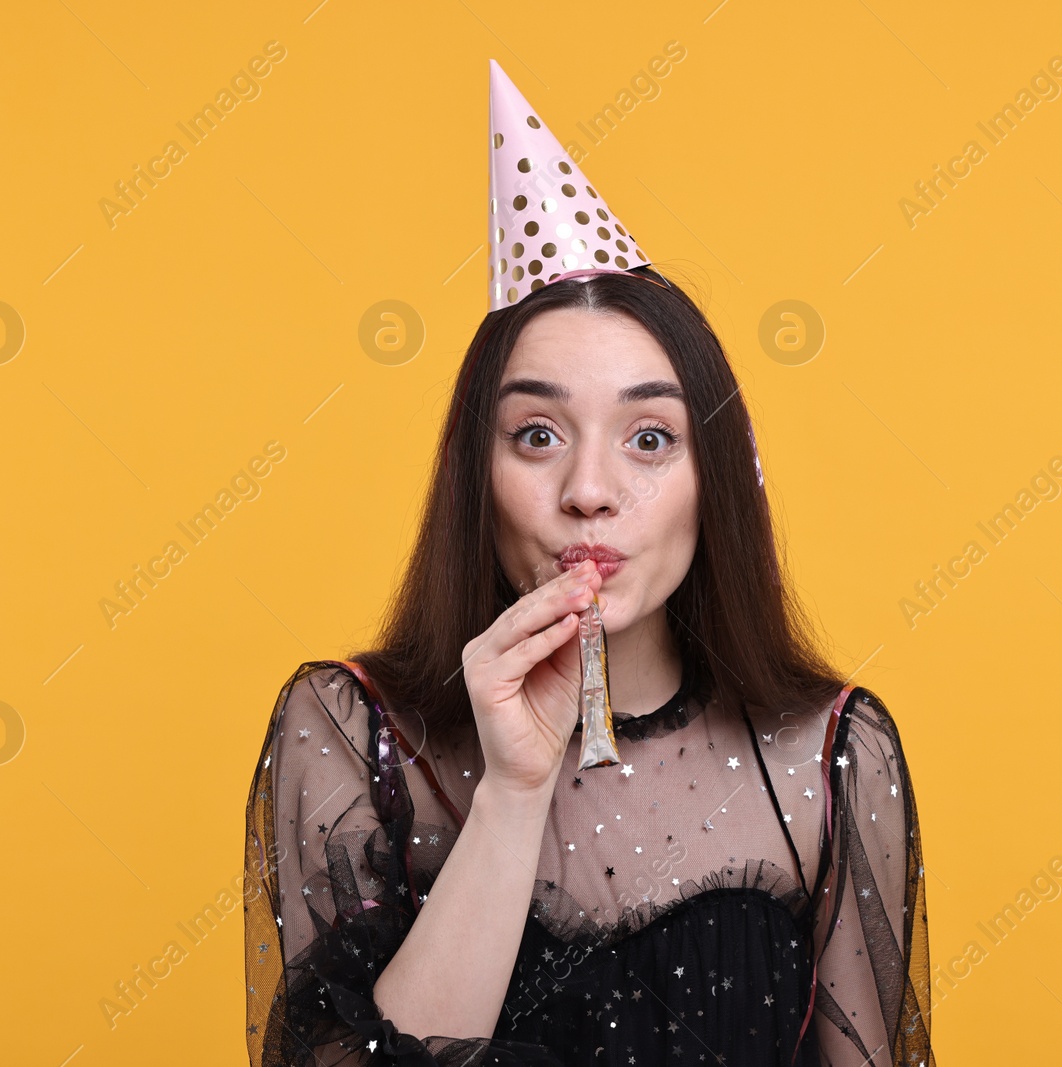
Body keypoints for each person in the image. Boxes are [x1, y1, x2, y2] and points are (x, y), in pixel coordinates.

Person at [242, 60, 934, 1067]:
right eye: (536, 434)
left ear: (715, 480)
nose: (589, 488)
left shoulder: (827, 751)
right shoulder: (352, 736)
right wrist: (515, 789)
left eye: (648, 437)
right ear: (475, 474)